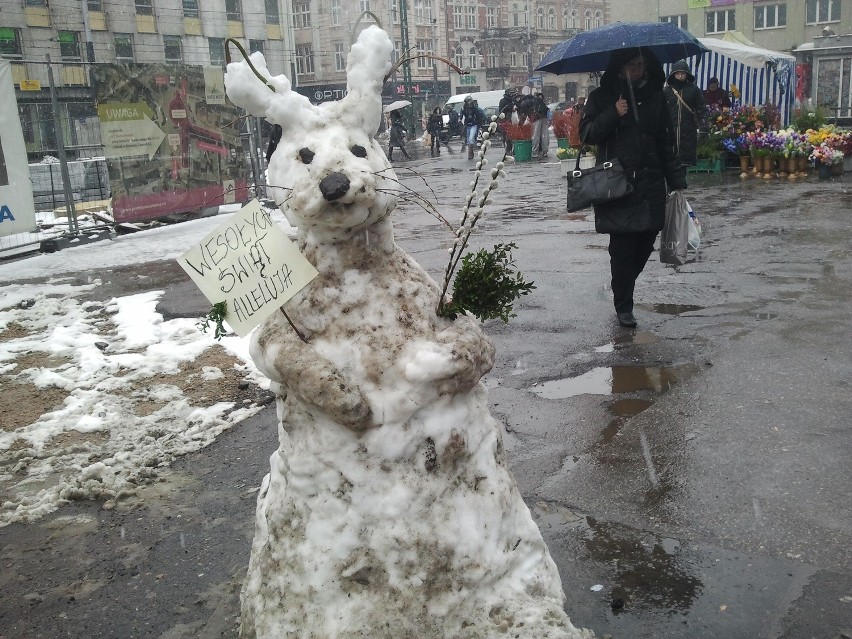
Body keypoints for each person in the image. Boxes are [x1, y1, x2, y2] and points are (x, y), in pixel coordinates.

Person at [579, 47, 687, 328]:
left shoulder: (655, 96)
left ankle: (624, 286)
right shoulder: (602, 97)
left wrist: (676, 181)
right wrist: (614, 113)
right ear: (619, 67)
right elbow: (587, 133)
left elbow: (665, 143)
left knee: (645, 242)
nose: (638, 70)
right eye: (632, 65)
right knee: (623, 249)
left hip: (650, 183)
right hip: (617, 183)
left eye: (641, 65)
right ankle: (624, 304)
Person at [664, 60, 707, 167]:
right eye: (677, 73)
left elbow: (701, 109)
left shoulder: (693, 90)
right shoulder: (667, 91)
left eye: (682, 73)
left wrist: (703, 127)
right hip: (670, 131)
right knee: (670, 163)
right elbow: (661, 111)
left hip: (688, 131)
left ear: (687, 74)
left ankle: (681, 182)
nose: (680, 75)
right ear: (673, 74)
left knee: (684, 164)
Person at [531, 92, 550, 159]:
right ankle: (545, 151)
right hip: (544, 118)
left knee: (536, 135)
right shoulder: (542, 103)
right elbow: (547, 110)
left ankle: (534, 152)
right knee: (545, 135)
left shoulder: (534, 101)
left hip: (537, 119)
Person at [498, 89, 516, 154]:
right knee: (507, 135)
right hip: (506, 120)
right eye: (510, 93)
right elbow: (501, 110)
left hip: (513, 119)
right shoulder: (503, 101)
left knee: (514, 135)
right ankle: (508, 149)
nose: (512, 94)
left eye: (512, 93)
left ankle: (513, 149)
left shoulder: (514, 100)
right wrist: (510, 109)